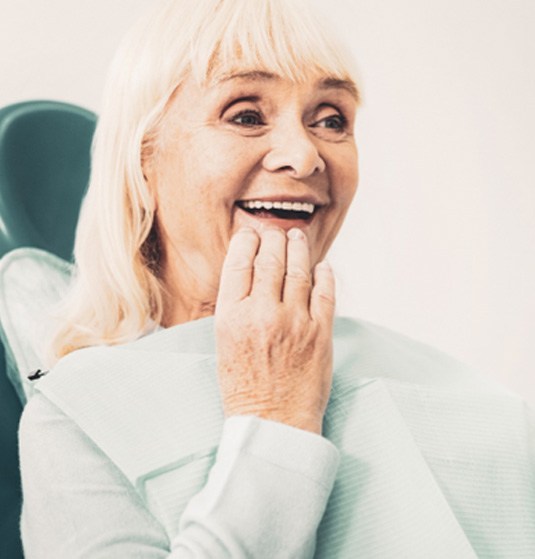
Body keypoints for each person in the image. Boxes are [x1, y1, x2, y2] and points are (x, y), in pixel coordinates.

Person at [18, 0, 535, 557]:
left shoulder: (441, 384)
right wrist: (275, 416)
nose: (304, 155)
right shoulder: (80, 415)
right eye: (246, 115)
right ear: (145, 157)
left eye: (331, 118)